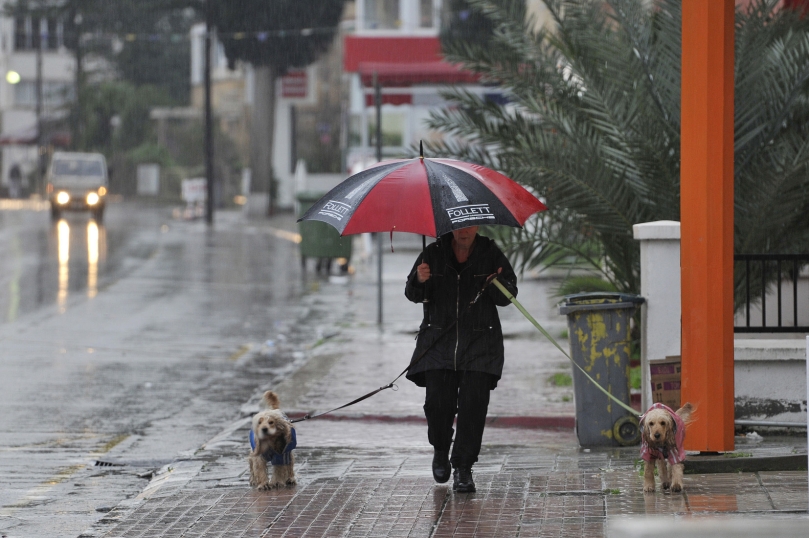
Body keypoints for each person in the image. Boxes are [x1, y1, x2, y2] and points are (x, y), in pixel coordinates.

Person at [404, 225, 518, 493]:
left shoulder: (491, 253)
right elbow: (412, 294)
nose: (464, 231)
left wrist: (496, 285)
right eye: (458, 227)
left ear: (477, 226)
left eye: (469, 226)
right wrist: (419, 280)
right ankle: (441, 448)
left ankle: (463, 468)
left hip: (480, 343)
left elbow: (509, 296)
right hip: (438, 343)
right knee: (437, 404)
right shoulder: (432, 253)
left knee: (473, 406)